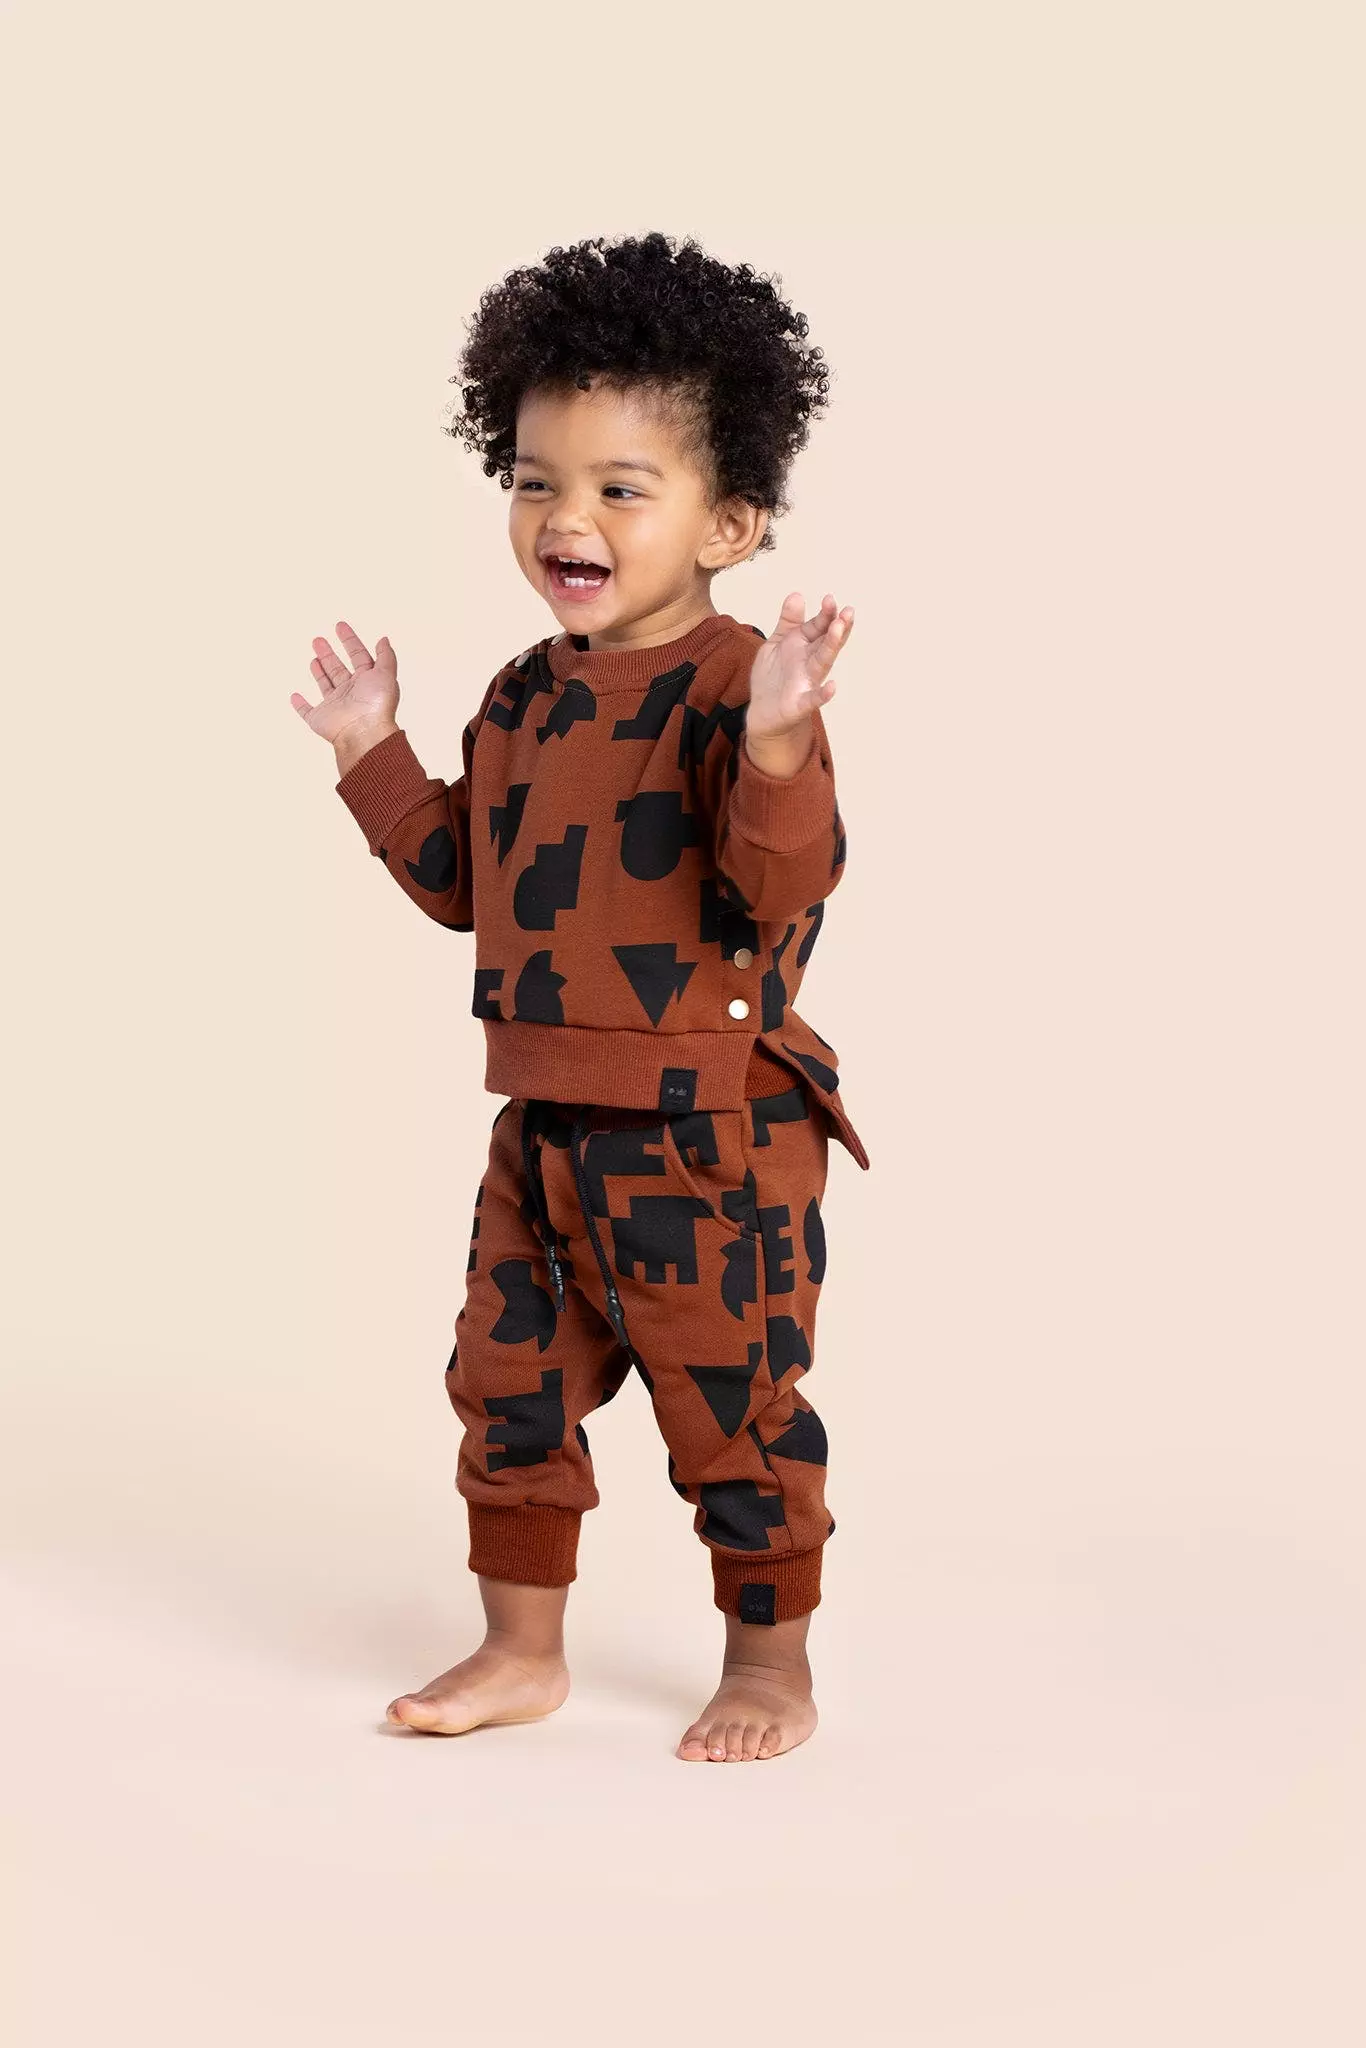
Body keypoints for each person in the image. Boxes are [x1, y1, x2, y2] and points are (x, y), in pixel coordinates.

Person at [291, 231, 869, 1762]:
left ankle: (769, 1667)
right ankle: (519, 1648)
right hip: (541, 1125)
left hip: (708, 1136)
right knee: (504, 1389)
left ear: (728, 521)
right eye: (537, 479)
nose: (567, 518)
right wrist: (372, 755)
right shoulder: (522, 693)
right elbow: (467, 888)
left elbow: (781, 880)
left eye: (622, 488)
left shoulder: (741, 689)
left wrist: (778, 745)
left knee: (734, 1410)